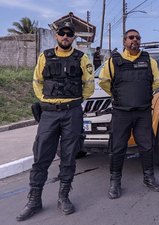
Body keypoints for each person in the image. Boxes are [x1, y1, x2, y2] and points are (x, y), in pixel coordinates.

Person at [16, 21, 95, 221]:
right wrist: (46, 101)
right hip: (49, 113)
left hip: (72, 113)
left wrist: (76, 102)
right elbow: (37, 81)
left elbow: (89, 84)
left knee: (69, 156)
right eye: (62, 33)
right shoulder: (45, 56)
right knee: (41, 156)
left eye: (69, 34)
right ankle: (34, 200)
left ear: (74, 38)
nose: (66, 36)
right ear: (56, 36)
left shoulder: (81, 57)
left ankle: (64, 197)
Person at [99, 29, 159, 199]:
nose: (134, 40)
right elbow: (104, 82)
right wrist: (119, 95)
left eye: (137, 37)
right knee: (117, 147)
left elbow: (157, 82)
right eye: (131, 37)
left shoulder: (148, 60)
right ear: (124, 41)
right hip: (122, 112)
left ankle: (149, 178)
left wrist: (143, 93)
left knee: (147, 146)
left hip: (142, 112)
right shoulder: (114, 61)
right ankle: (115, 182)